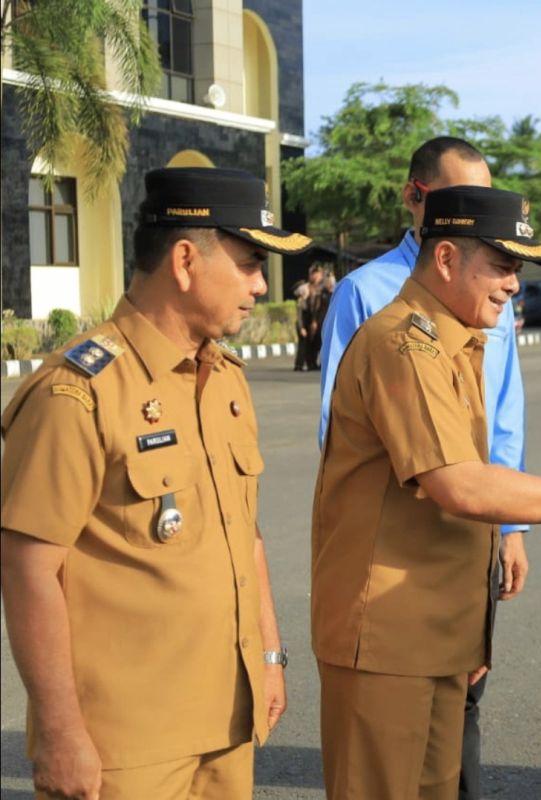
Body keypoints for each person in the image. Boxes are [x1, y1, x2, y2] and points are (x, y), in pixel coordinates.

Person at [311, 186, 541, 800]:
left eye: (518, 270)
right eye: (503, 265)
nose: (514, 285)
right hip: (386, 638)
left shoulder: (457, 344)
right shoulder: (405, 345)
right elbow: (460, 485)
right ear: (448, 258)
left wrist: (471, 630)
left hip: (434, 633)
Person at [0, 167, 312, 799]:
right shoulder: (78, 391)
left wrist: (270, 657)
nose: (260, 285)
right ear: (186, 260)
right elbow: (27, 568)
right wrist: (62, 735)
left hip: (227, 720)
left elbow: (242, 533)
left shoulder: (224, 378)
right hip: (124, 746)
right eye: (251, 262)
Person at [316, 136, 529, 800]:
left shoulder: (481, 297)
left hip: (462, 566)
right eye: (501, 262)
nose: (512, 281)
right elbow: (342, 436)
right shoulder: (373, 302)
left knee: (449, 761)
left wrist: (511, 528)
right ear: (417, 200)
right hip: (392, 585)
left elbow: (502, 416)